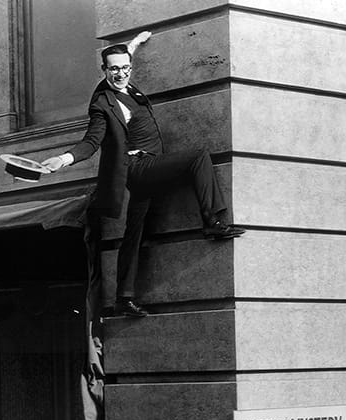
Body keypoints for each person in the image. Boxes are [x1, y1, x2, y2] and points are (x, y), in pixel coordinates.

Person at [42, 35, 244, 317]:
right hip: (137, 168)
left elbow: (126, 52)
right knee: (198, 157)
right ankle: (213, 221)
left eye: (125, 68)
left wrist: (136, 41)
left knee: (133, 233)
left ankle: (124, 298)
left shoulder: (126, 81)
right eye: (113, 69)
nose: (120, 74)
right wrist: (63, 160)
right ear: (104, 71)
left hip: (147, 168)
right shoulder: (103, 104)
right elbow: (91, 142)